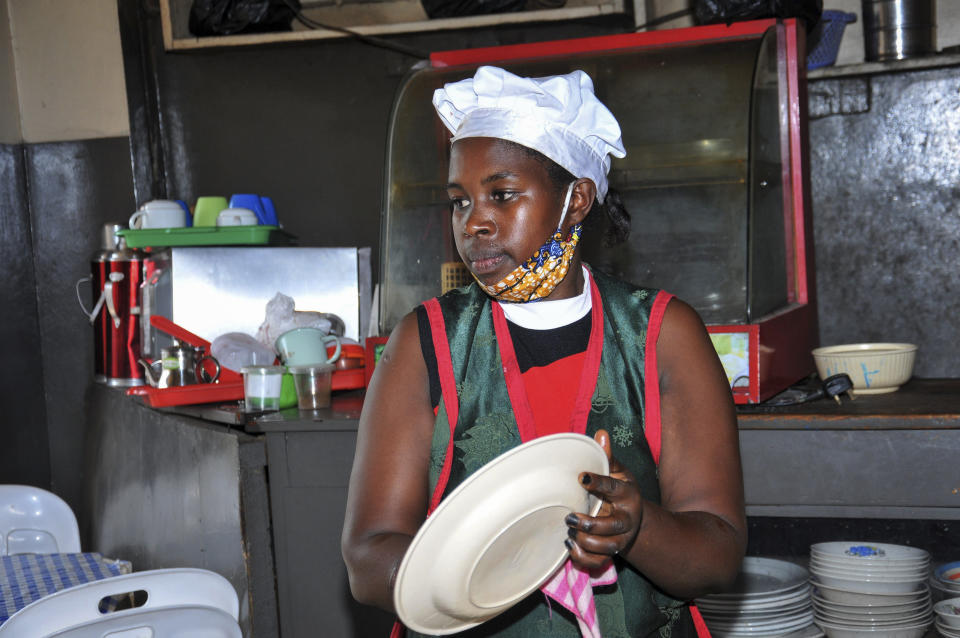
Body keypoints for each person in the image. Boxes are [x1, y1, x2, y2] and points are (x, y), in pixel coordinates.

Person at [342, 65, 746, 638]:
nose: (474, 222)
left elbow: (718, 554)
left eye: (501, 195)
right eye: (460, 202)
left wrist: (638, 529)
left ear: (576, 200)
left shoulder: (661, 334)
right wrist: (470, 572)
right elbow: (366, 558)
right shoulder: (424, 342)